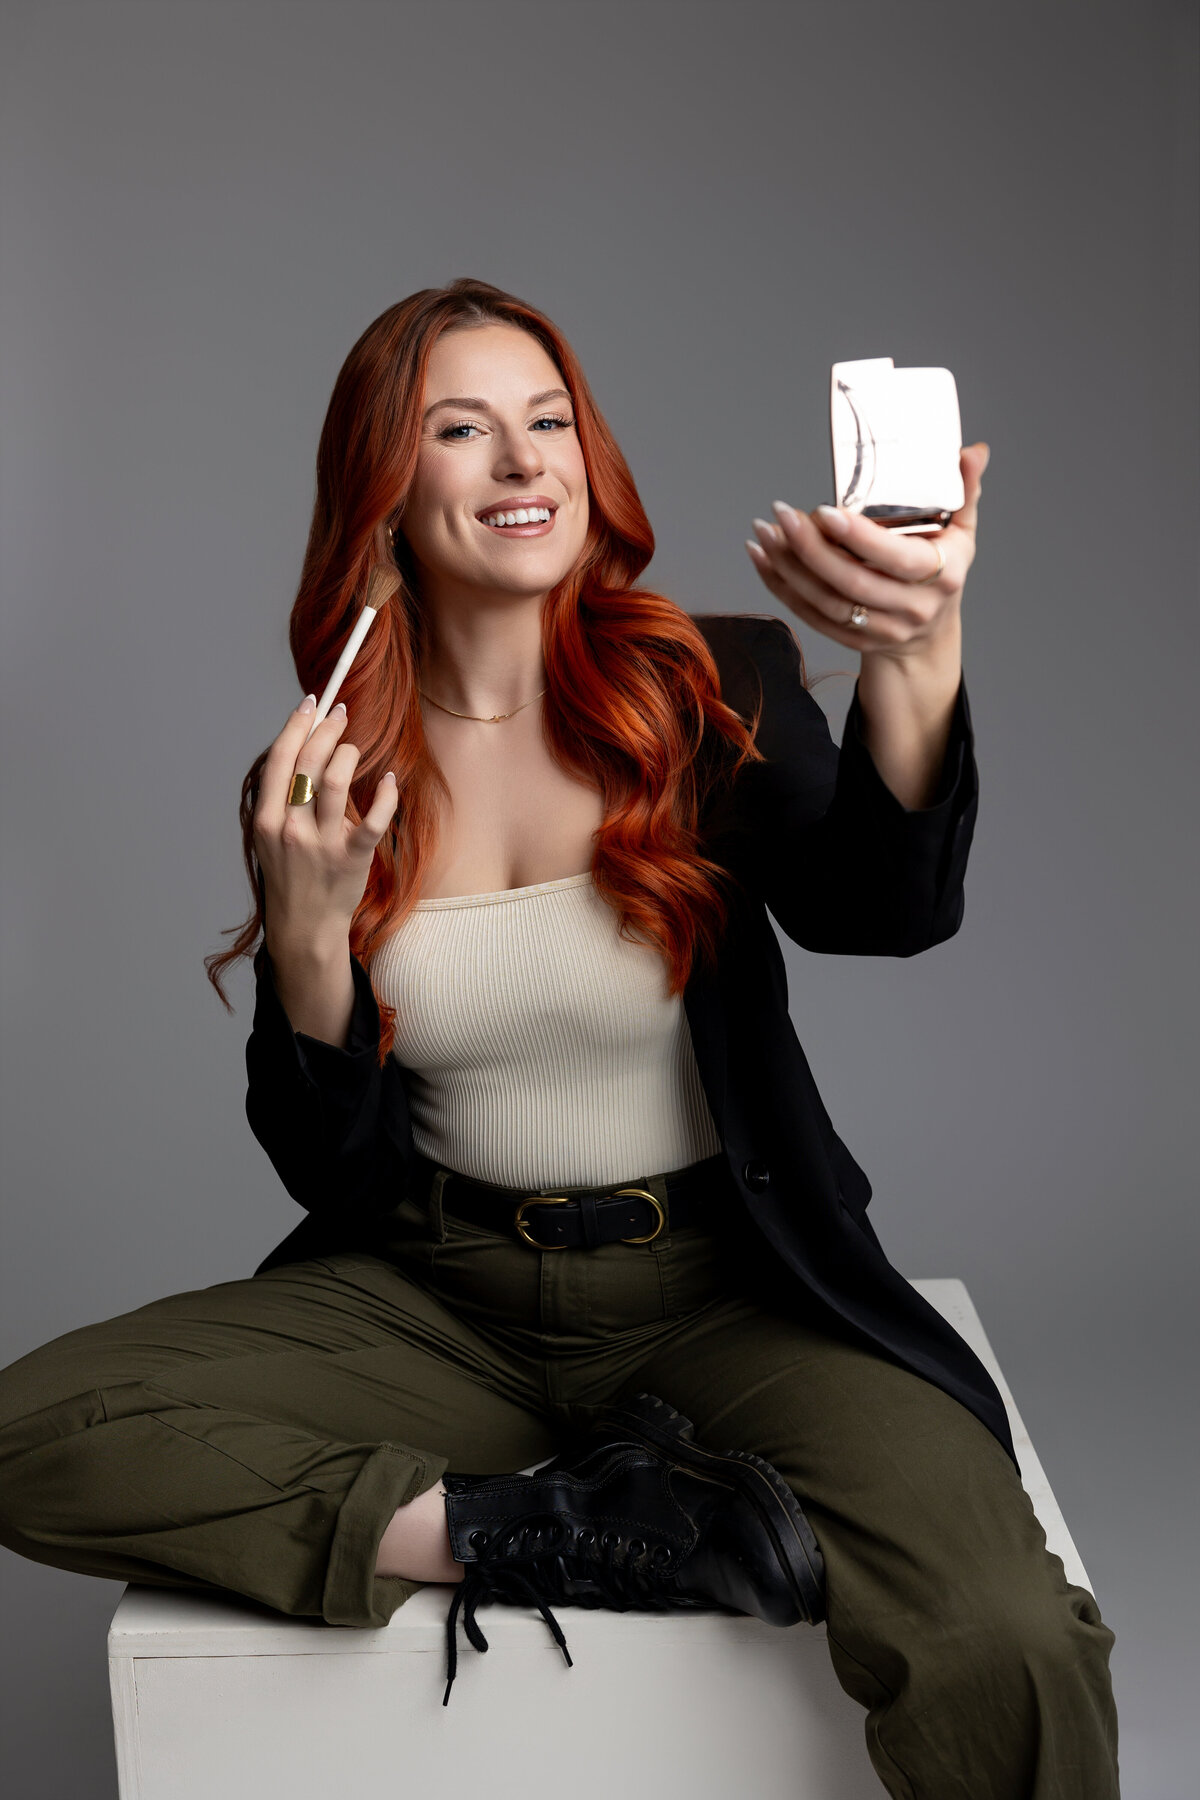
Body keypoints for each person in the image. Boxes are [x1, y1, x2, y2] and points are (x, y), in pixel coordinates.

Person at [0, 279, 1119, 1794]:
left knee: (1007, 1632)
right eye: (464, 430)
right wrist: (312, 931)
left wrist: (919, 644)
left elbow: (886, 908)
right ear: (386, 493)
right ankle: (541, 1531)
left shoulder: (709, 686)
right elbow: (327, 1168)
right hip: (438, 1294)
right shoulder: (325, 772)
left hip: (729, 1284)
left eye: (550, 424)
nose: (526, 464)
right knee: (32, 1429)